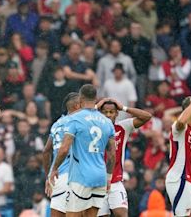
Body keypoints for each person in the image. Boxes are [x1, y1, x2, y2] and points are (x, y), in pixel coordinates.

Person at [49, 84, 116, 216]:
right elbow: (112, 155)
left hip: (81, 177)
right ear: (95, 98)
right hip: (100, 176)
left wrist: (55, 168)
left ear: (81, 98)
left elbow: (64, 149)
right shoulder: (107, 122)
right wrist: (108, 178)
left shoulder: (75, 119)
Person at [96, 97, 152, 217]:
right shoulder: (93, 129)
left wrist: (124, 108)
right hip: (97, 182)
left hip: (116, 182)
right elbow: (76, 118)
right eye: (105, 112)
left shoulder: (122, 127)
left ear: (116, 113)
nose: (108, 115)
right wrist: (96, 107)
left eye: (111, 112)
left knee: (121, 214)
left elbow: (147, 116)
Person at [42, 92, 81, 217]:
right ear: (77, 106)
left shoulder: (57, 124)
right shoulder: (80, 122)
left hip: (58, 177)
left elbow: (46, 151)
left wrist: (49, 175)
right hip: (76, 177)